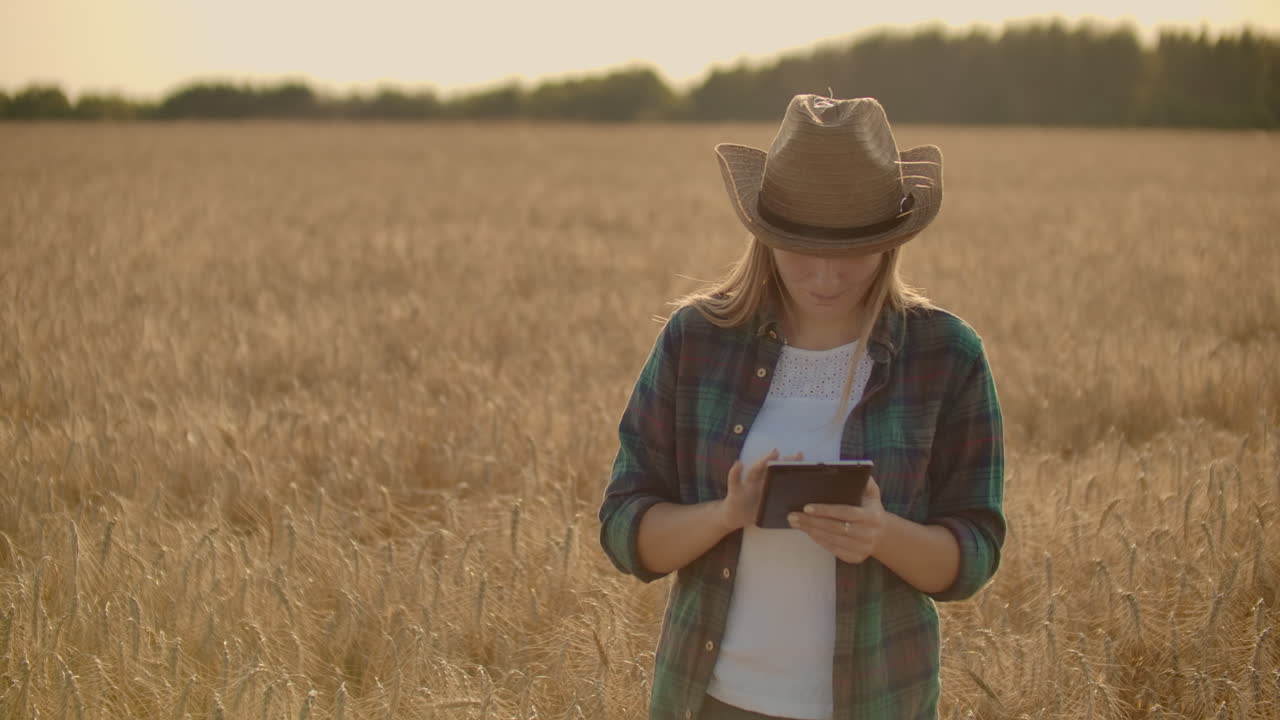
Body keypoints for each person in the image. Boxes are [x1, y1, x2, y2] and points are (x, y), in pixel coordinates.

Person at [598, 95, 1005, 720]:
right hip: (708, 700)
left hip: (877, 702)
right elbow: (626, 532)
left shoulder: (946, 356)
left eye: (850, 251)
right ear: (765, 237)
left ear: (891, 242)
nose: (824, 276)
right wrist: (727, 514)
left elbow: (975, 553)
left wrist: (881, 534)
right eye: (800, 248)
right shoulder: (696, 340)